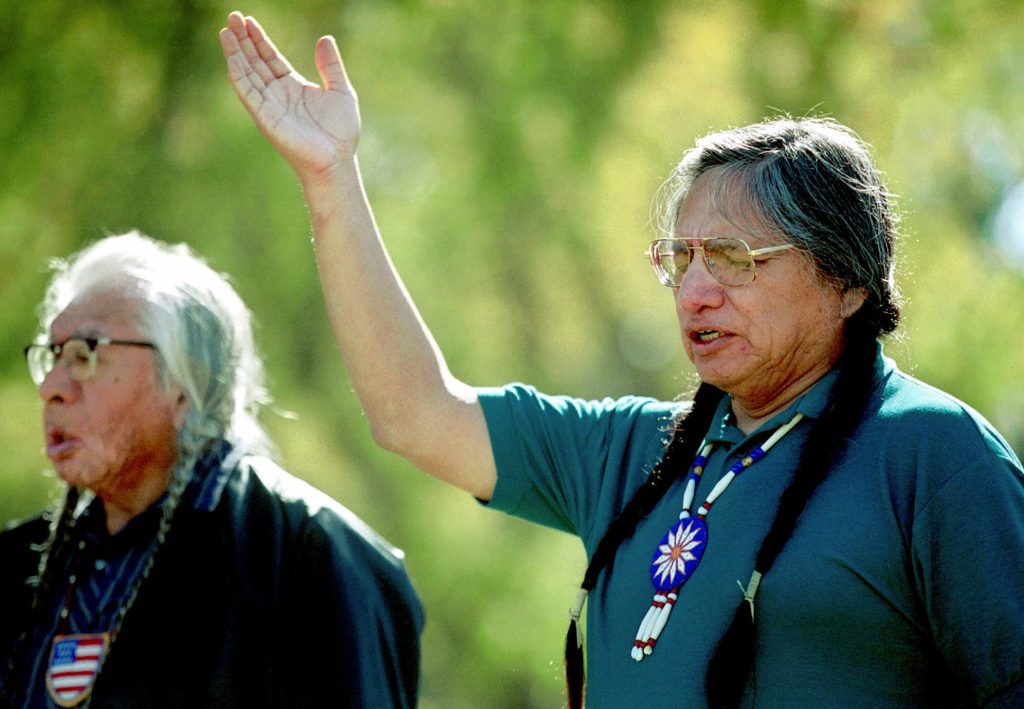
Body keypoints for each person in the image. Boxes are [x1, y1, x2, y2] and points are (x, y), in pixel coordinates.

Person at [219, 11, 1024, 708]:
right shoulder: (634, 453)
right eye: (681, 259)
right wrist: (331, 179)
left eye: (737, 259)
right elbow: (415, 412)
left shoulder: (933, 454)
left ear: (847, 280)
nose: (696, 291)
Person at [0, 232, 424, 708]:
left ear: (184, 381)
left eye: (84, 354)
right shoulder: (15, 566)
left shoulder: (312, 556)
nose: (52, 388)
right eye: (52, 357)